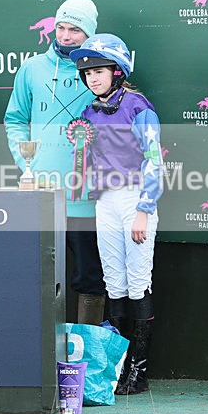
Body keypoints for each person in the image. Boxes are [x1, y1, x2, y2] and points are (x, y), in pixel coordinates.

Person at [4, 0, 107, 325]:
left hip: (87, 200)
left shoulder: (101, 71)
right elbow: (15, 119)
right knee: (42, 278)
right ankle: (45, 359)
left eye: (74, 29)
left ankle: (86, 362)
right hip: (43, 195)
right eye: (60, 27)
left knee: (90, 278)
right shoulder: (32, 68)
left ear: (88, 33)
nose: (64, 35)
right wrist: (26, 166)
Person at [70, 33, 164, 395]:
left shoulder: (139, 107)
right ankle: (117, 368)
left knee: (138, 281)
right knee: (114, 282)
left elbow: (155, 161)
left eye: (99, 70)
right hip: (104, 202)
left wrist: (144, 210)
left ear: (117, 70)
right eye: (87, 72)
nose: (92, 77)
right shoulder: (87, 113)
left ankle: (140, 373)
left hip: (135, 200)